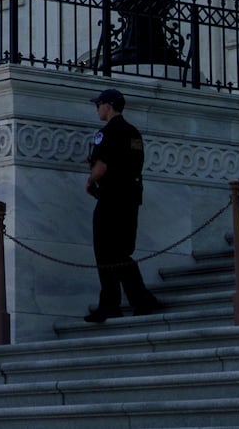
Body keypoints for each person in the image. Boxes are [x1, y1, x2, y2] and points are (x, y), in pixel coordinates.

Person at [82, 87, 165, 322]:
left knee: (105, 252)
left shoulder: (106, 133)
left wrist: (90, 181)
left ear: (108, 106)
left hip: (111, 199)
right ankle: (141, 299)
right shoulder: (133, 133)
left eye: (98, 104)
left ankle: (110, 304)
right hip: (131, 198)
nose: (97, 109)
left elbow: (101, 167)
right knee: (121, 252)